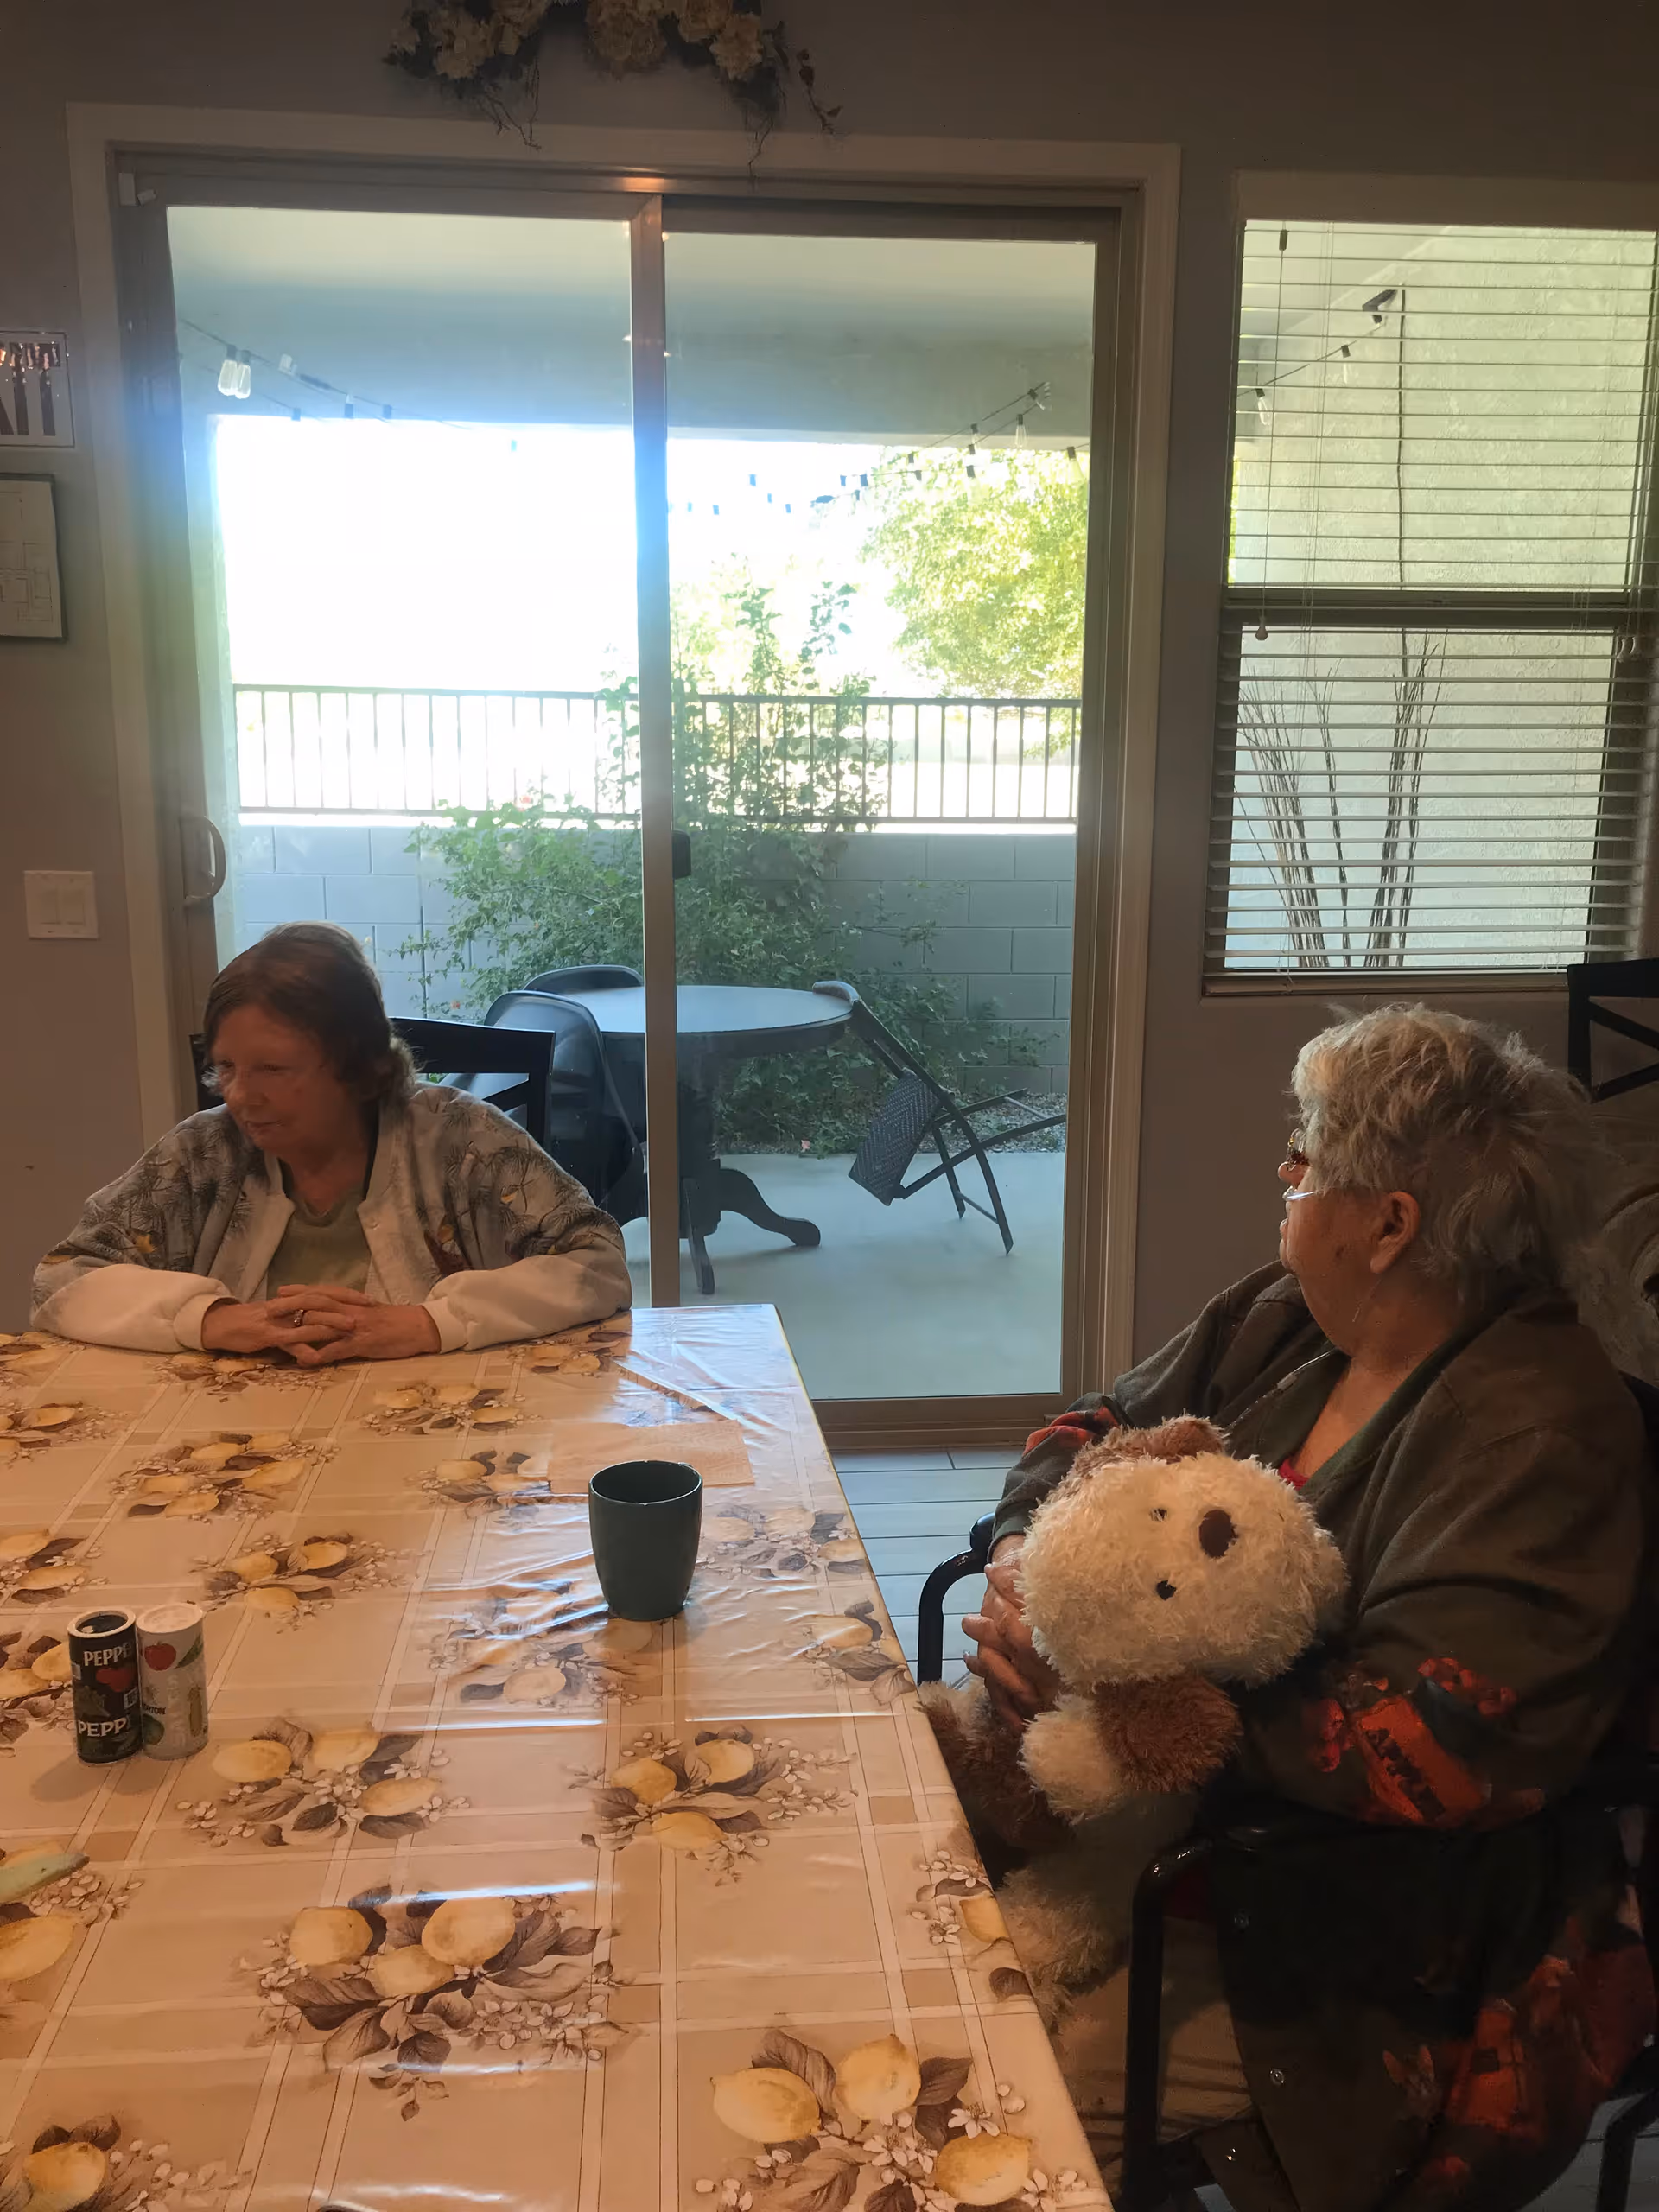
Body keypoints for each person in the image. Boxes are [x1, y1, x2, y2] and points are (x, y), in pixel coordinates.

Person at [964, 1007, 1656, 2212]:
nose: (1282, 1178)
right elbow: (1084, 1431)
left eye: (1305, 1154)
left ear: (1391, 1223)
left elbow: (1433, 1753)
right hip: (1156, 1822)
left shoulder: (1539, 1429)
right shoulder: (1286, 1317)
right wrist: (1028, 1558)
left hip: (1362, 1924)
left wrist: (1122, 1684)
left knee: (980, 2102)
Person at [33, 923, 632, 1361]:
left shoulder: (457, 1139)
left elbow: (594, 1262)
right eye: (227, 1069)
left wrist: (431, 1323)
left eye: (274, 1070)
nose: (241, 1097)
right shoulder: (202, 1155)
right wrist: (209, 1318)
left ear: (360, 1066)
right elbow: (64, 1278)